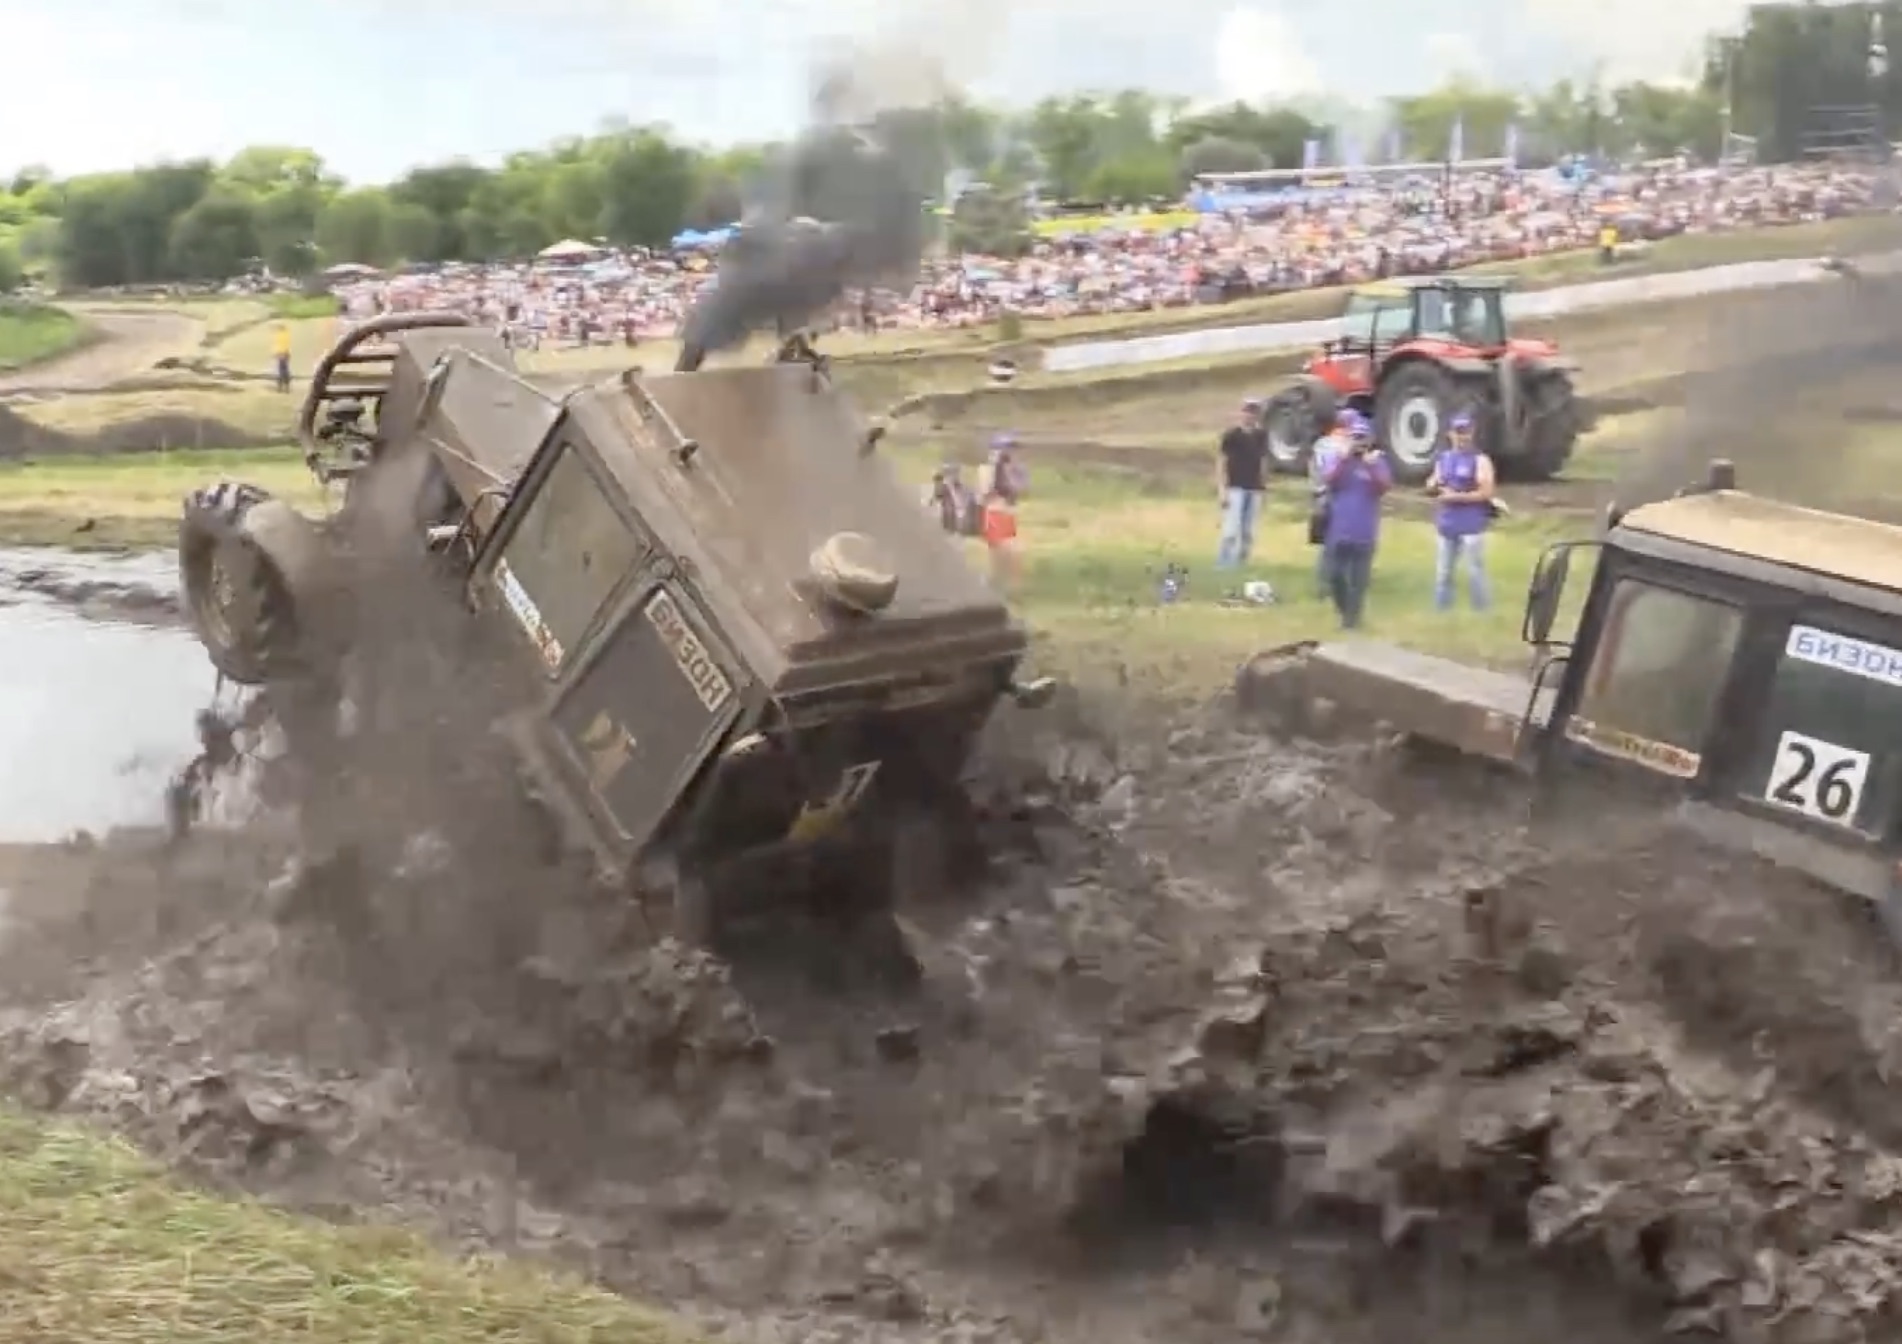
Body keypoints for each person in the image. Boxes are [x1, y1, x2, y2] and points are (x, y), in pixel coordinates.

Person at [1321, 411, 1391, 630]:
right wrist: (1343, 458)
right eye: (1355, 437)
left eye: (1363, 438)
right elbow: (1328, 478)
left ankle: (1351, 621)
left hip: (1364, 531)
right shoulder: (1339, 458)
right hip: (1339, 529)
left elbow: (1384, 487)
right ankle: (1344, 610)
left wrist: (1370, 466)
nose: (1359, 443)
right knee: (1334, 576)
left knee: (1358, 581)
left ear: (1370, 440)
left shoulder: (1377, 462)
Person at [1425, 409, 1495, 612]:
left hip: (1471, 524)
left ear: (1472, 433)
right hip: (1447, 523)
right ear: (1450, 434)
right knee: (1443, 573)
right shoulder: (1444, 458)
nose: (1462, 436)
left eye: (1466, 431)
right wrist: (1433, 486)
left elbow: (1486, 492)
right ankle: (1441, 611)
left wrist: (1456, 496)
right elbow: (1432, 482)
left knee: (1475, 570)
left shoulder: (1480, 460)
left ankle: (1482, 610)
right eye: (1458, 431)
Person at [1216, 398, 1268, 571]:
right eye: (1247, 411)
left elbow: (1263, 462)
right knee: (1231, 529)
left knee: (1249, 531)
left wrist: (1264, 487)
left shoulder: (1261, 436)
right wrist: (1222, 489)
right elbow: (1222, 461)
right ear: (1242, 413)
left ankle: (1241, 563)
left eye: (1254, 412)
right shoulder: (1232, 436)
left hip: (1254, 488)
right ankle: (1224, 564)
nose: (1250, 415)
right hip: (1235, 486)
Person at [1308, 408, 1354, 596]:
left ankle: (1327, 584)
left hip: (1321, 497)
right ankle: (1328, 586)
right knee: (1336, 544)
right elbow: (1333, 473)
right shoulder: (1336, 446)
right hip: (1332, 498)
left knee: (1330, 545)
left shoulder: (1321, 444)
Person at [977, 432, 1026, 591]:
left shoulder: (1014, 469)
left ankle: (997, 583)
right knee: (1009, 551)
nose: (1011, 453)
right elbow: (984, 493)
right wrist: (995, 470)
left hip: (1008, 514)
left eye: (1012, 448)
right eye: (1007, 449)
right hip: (994, 513)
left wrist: (1013, 472)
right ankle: (1008, 585)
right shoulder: (987, 469)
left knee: (1001, 555)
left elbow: (1022, 489)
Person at [271, 322, 293, 393]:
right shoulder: (286, 334)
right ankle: (286, 387)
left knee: (280, 371)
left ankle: (280, 387)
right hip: (285, 353)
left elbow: (280, 346)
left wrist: (277, 354)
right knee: (285, 370)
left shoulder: (280, 335)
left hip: (282, 353)